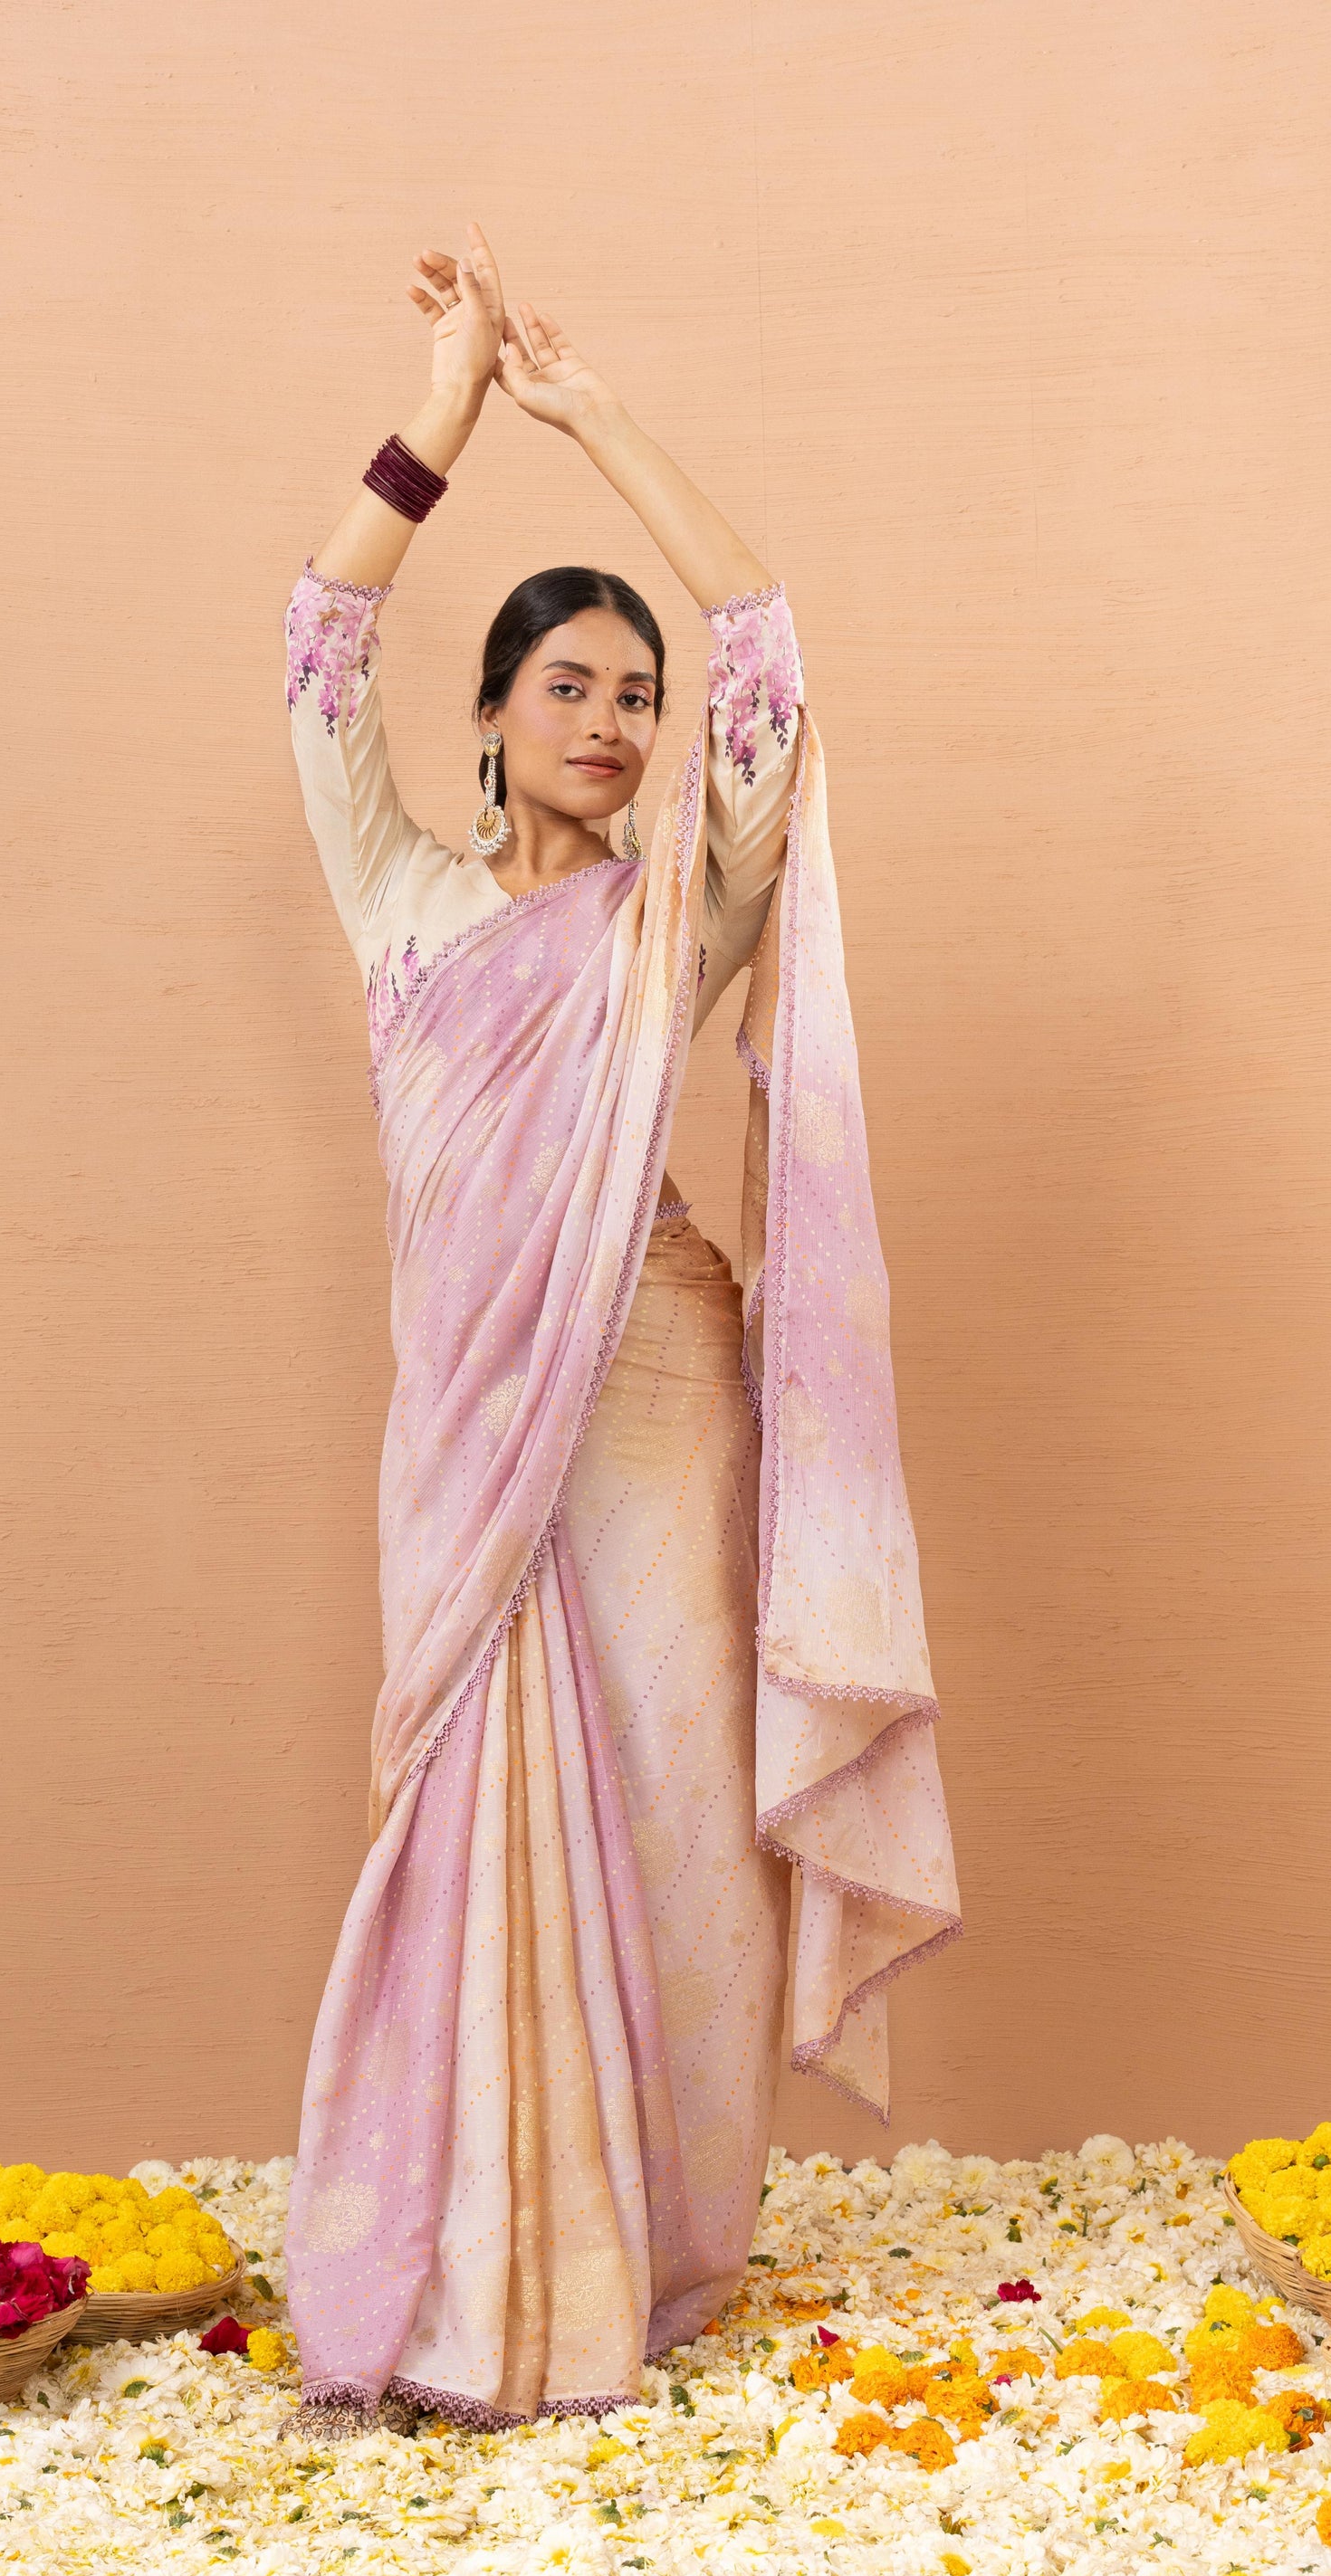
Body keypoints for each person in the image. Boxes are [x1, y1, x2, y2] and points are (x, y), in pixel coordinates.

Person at [281, 224, 959, 2434]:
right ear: (490, 712)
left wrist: (588, 417)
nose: (611, 720)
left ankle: (643, 2243)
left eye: (630, 694)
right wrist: (448, 408)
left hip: (655, 1380)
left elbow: (764, 645)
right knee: (464, 1799)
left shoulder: (685, 906)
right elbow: (317, 637)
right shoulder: (398, 894)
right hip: (472, 1423)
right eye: (567, 685)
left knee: (670, 1814)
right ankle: (469, 2260)